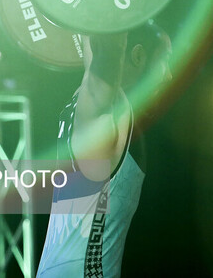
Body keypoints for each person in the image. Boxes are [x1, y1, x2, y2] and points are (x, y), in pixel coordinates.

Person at [36, 20, 173, 277]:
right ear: (138, 55)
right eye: (165, 60)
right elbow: (107, 51)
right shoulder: (106, 114)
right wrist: (111, 3)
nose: (169, 75)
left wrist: (81, 9)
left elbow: (94, 48)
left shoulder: (87, 104)